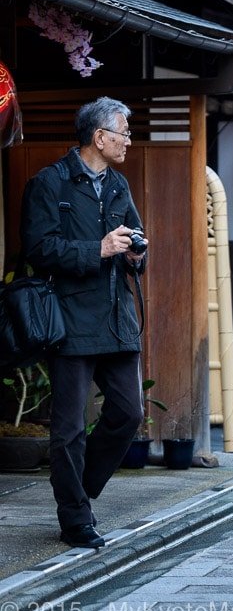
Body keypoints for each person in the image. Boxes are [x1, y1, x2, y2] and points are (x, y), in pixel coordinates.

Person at [20, 97, 148, 548]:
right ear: (99, 137)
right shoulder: (48, 183)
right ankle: (75, 518)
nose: (129, 140)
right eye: (124, 133)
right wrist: (98, 249)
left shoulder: (118, 184)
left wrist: (136, 251)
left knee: (129, 413)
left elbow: (133, 241)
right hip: (70, 318)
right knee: (69, 427)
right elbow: (38, 249)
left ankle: (79, 494)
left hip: (116, 318)